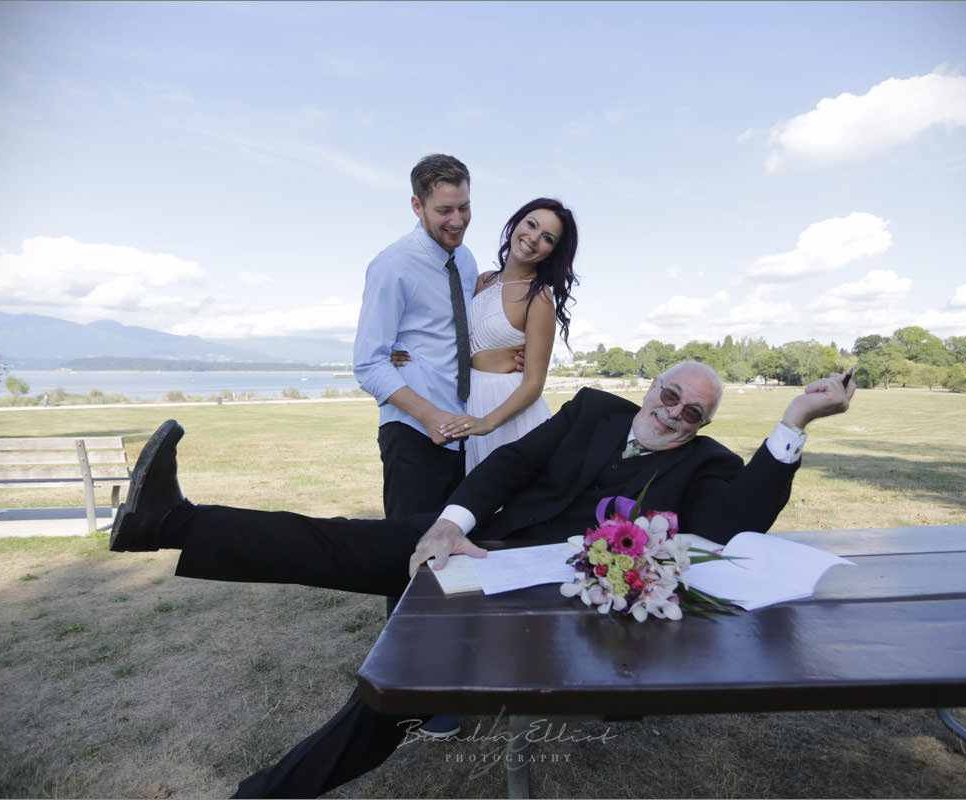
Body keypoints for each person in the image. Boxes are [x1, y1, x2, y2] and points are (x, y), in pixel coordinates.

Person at [108, 361, 856, 797]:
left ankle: (265, 794)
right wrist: (451, 522)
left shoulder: (707, 464)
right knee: (336, 541)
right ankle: (166, 522)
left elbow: (734, 525)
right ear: (651, 387)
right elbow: (513, 464)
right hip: (472, 543)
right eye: (669, 397)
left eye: (692, 413)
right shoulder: (594, 410)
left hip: (542, 599)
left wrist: (796, 418)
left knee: (397, 691)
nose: (674, 416)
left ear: (701, 425)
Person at [396, 197, 580, 472]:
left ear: (553, 251)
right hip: (473, 403)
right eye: (531, 224)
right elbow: (441, 324)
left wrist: (487, 423)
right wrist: (397, 347)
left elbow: (533, 384)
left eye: (547, 238)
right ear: (516, 223)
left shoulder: (539, 297)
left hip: (508, 413)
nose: (533, 238)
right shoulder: (482, 281)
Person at [353, 153, 478, 521]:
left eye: (464, 207)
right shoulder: (392, 265)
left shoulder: (467, 260)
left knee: (464, 544)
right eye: (444, 210)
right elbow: (368, 363)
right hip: (413, 434)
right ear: (417, 205)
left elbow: (466, 332)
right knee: (408, 546)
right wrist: (430, 417)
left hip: (467, 434)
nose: (457, 220)